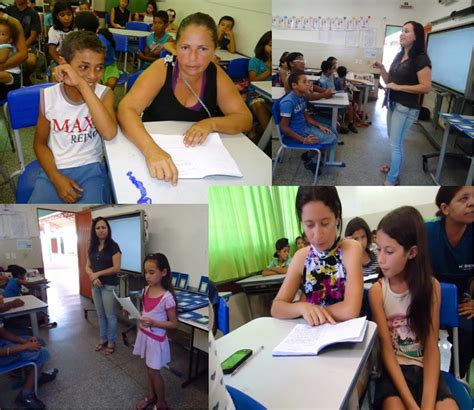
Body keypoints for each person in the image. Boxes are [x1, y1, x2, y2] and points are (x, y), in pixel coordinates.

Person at [118, 12, 252, 187]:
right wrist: (151, 150)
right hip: (149, 157)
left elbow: (244, 118)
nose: (192, 58)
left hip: (195, 166)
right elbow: (126, 109)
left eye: (203, 49)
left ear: (214, 50)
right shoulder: (162, 68)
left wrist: (211, 123)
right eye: (185, 47)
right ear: (175, 46)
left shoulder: (216, 74)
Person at [369, 206, 457, 409]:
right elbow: (387, 353)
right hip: (395, 373)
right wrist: (411, 404)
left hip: (426, 369)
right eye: (378, 249)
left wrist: (426, 406)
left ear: (412, 252)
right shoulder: (377, 291)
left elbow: (431, 347)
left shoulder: (431, 287)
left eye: (389, 251)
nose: (380, 259)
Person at [29, 31, 117, 204]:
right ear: (64, 64)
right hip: (55, 168)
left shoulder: (104, 94)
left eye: (99, 67)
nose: (93, 75)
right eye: (84, 67)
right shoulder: (48, 96)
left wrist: (82, 85)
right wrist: (56, 178)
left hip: (91, 168)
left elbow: (109, 133)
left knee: (93, 217)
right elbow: (39, 143)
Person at [271, 187, 363, 326]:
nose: (318, 234)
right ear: (302, 223)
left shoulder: (351, 249)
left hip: (346, 334)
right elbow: (276, 308)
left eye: (325, 223)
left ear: (337, 218)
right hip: (312, 336)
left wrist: (313, 312)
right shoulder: (301, 257)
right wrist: (302, 307)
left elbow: (350, 310)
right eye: (309, 225)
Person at [371, 21, 432, 186]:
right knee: (393, 140)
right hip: (393, 103)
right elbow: (390, 80)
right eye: (401, 31)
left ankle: (392, 179)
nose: (402, 34)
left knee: (396, 144)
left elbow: (426, 87)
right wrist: (382, 67)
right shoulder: (400, 55)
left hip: (405, 107)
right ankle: (394, 168)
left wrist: (398, 87)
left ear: (416, 36)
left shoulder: (420, 58)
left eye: (406, 31)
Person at [426, 186, 473, 378]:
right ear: (445, 209)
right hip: (426, 301)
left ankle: (455, 377)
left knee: (469, 330)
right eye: (463, 199)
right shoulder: (426, 233)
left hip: (460, 304)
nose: (472, 203)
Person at [133, 253, 178, 409]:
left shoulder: (167, 297)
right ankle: (151, 396)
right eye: (146, 272)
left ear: (163, 272)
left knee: (154, 372)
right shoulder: (145, 290)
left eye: (152, 272)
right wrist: (134, 313)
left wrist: (154, 322)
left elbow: (174, 324)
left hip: (156, 341)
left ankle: (161, 403)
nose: (147, 276)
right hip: (145, 336)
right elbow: (145, 311)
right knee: (148, 368)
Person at [279, 72, 339, 174]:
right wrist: (304, 140)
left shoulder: (302, 97)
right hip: (298, 131)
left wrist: (319, 125)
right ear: (294, 85)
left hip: (305, 126)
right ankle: (311, 160)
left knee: (332, 129)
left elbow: (306, 115)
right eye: (304, 81)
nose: (308, 84)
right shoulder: (288, 102)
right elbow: (284, 128)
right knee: (332, 138)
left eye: (307, 81)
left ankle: (309, 155)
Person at [86, 217, 121, 355]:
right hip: (96, 286)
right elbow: (87, 267)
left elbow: (117, 268)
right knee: (100, 315)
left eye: (103, 227)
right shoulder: (91, 247)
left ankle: (111, 341)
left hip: (109, 286)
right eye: (98, 228)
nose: (101, 230)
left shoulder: (114, 246)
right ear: (94, 231)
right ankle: (102, 338)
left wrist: (97, 274)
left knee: (110, 315)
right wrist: (93, 278)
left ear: (108, 229)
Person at [75, 11, 120, 89]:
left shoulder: (101, 40)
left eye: (77, 29)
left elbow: (99, 60)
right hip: (92, 66)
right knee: (93, 84)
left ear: (82, 30)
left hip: (109, 66)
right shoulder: (82, 39)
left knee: (110, 84)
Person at [5, 0, 40, 86]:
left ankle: (24, 77)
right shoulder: (7, 11)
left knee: (31, 61)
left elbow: (33, 36)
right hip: (7, 44)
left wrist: (21, 47)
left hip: (27, 45)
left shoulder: (33, 14)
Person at [247, 31, 271, 141]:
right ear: (263, 46)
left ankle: (258, 130)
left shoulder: (279, 63)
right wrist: (268, 72)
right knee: (259, 104)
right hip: (256, 93)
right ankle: (266, 139)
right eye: (270, 45)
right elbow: (252, 81)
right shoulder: (255, 61)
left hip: (271, 94)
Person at [47, 0, 74, 67]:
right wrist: (62, 63)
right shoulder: (53, 30)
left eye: (69, 14)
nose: (66, 18)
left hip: (73, 60)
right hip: (58, 60)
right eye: (62, 15)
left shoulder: (75, 29)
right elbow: (52, 51)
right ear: (57, 16)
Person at [0, 19, 22, 100]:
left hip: (11, 76)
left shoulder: (6, 46)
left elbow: (1, 59)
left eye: (2, 34)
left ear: (9, 40)